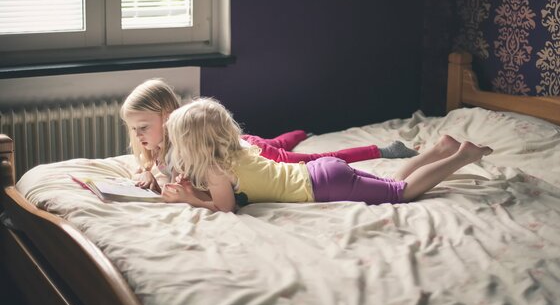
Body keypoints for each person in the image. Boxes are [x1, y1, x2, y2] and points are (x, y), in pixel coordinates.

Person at [161, 98, 493, 211]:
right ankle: (439, 148)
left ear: (195, 146)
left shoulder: (217, 171)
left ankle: (460, 156)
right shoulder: (241, 147)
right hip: (324, 171)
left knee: (400, 193)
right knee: (392, 182)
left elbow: (224, 206)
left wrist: (191, 199)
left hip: (323, 187)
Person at [120, 79, 417, 192]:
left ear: (167, 117)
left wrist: (157, 177)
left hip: (250, 151)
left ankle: (382, 150)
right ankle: (301, 132)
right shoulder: (159, 142)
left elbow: (179, 180)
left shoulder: (186, 139)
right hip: (244, 146)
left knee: (305, 157)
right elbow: (149, 164)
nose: (138, 135)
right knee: (274, 142)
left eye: (143, 127)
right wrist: (144, 170)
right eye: (134, 129)